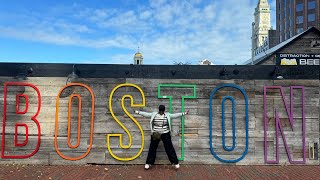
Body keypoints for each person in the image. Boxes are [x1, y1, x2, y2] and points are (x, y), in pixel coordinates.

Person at [135, 105, 189, 170]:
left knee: (169, 148)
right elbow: (146, 114)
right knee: (152, 148)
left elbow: (175, 115)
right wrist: (138, 112)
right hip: (156, 133)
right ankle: (148, 163)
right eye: (160, 111)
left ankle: (175, 162)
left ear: (164, 111)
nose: (161, 112)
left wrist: (184, 113)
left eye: (162, 111)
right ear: (159, 110)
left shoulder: (167, 115)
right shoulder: (154, 114)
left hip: (165, 133)